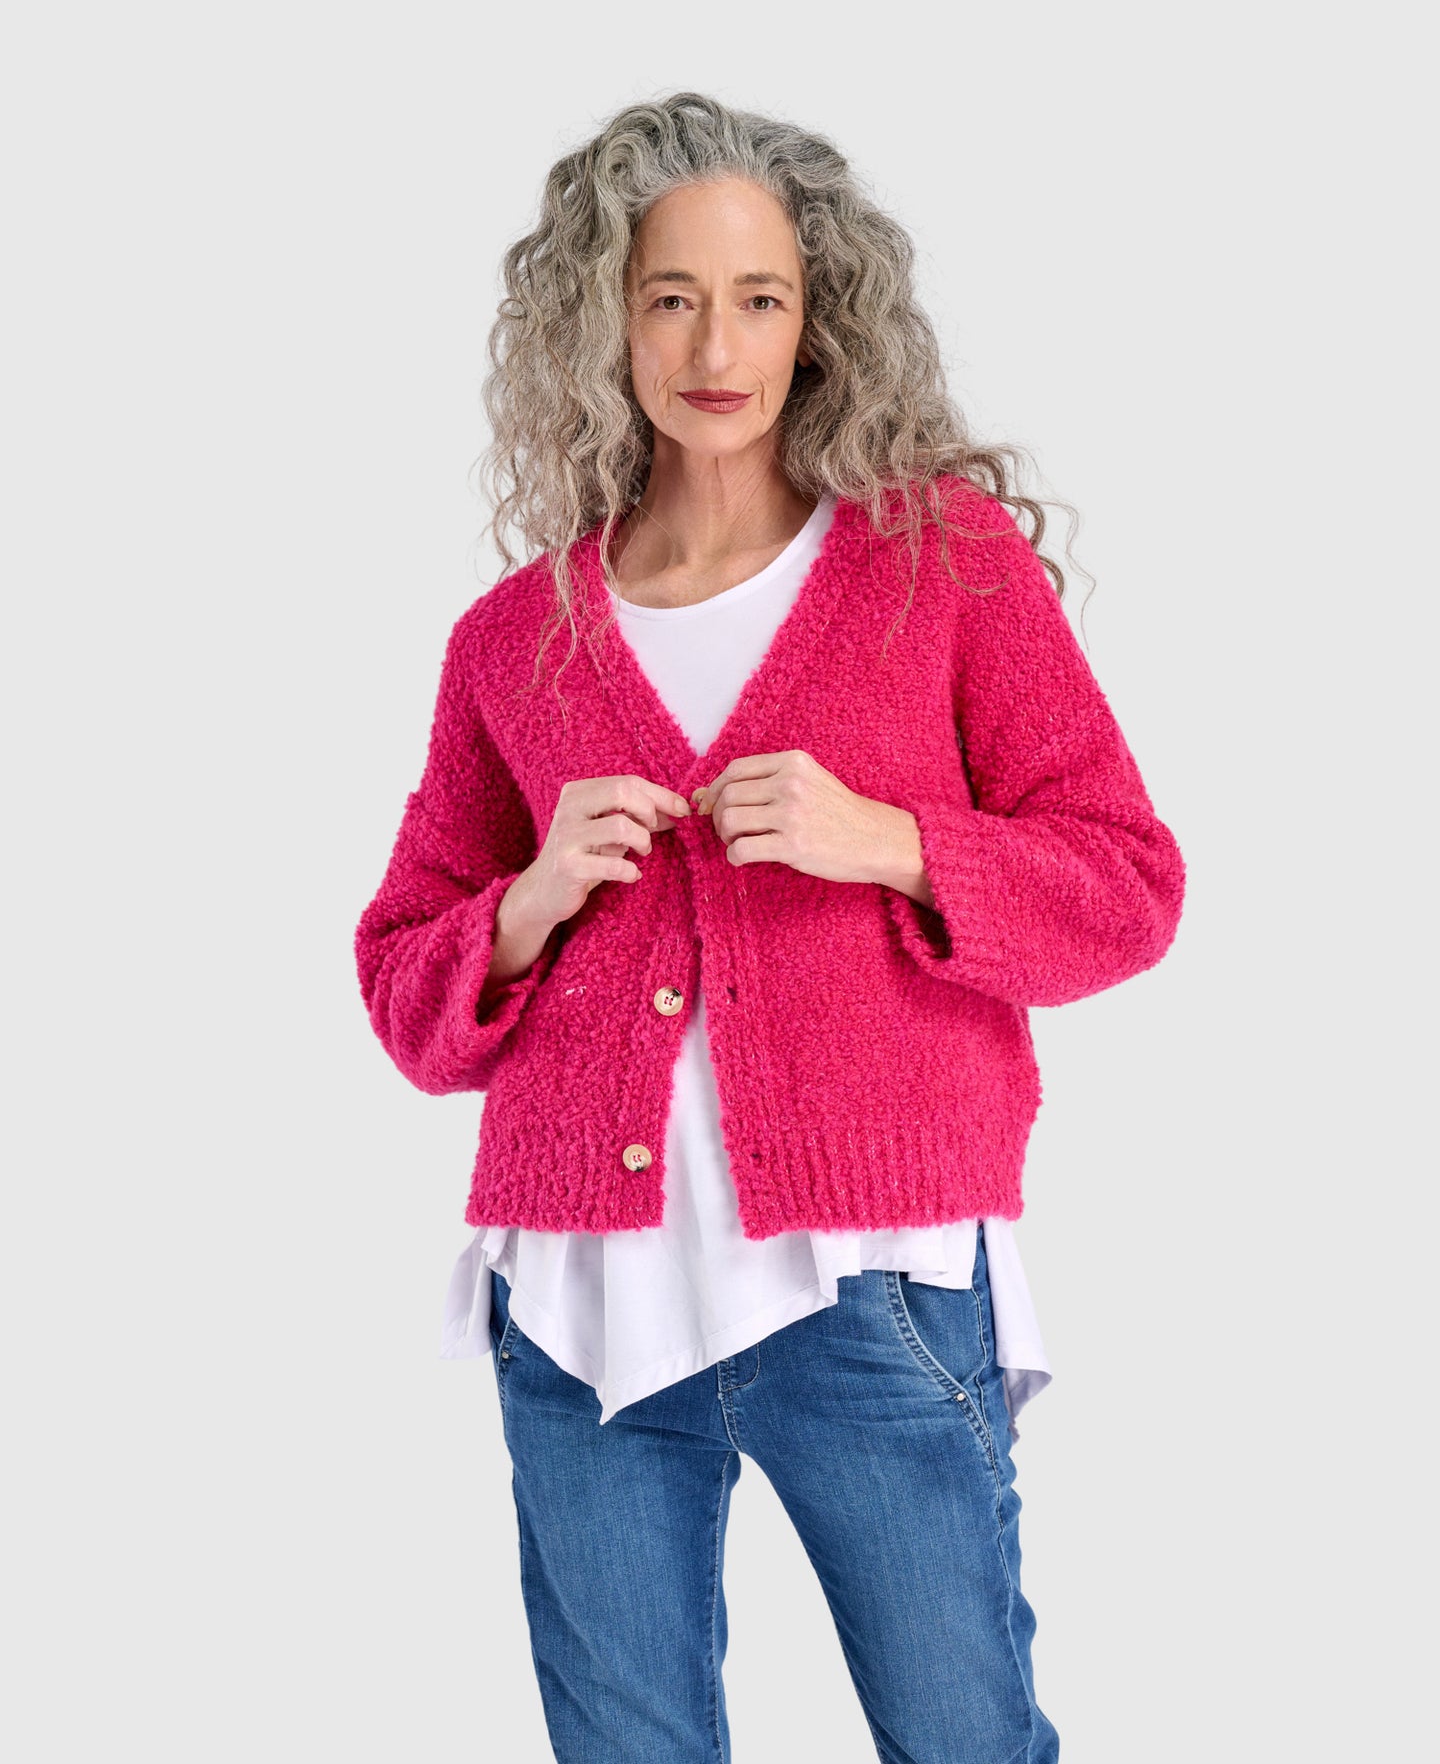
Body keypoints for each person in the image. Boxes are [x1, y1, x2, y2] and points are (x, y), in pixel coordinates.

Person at [354, 91, 1186, 1764]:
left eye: (759, 298)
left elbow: (1127, 886)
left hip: (867, 1282)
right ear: (606, 319)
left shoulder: (941, 566)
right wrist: (525, 903)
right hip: (581, 1297)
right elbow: (403, 982)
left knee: (963, 1739)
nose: (715, 347)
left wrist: (888, 842)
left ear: (821, 319)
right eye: (670, 297)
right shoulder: (514, 638)